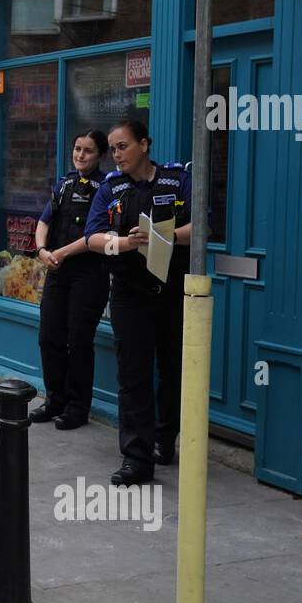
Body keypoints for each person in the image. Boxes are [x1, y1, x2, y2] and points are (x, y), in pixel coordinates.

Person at [83, 119, 191, 487]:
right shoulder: (110, 188)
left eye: (123, 146)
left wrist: (163, 236)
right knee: (133, 376)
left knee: (174, 371)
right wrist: (126, 244)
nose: (116, 154)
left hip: (173, 290)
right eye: (112, 148)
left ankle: (164, 439)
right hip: (129, 293)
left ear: (145, 144)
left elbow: (204, 225)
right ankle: (136, 457)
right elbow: (93, 238)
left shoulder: (177, 180)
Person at [30, 129, 110, 430]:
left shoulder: (106, 188)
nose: (80, 155)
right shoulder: (65, 184)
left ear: (100, 155)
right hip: (57, 270)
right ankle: (54, 400)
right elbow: (44, 220)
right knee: (49, 337)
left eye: (88, 151)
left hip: (89, 274)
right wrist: (41, 249)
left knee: (78, 341)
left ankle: (78, 407)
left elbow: (93, 237)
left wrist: (57, 253)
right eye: (77, 149)